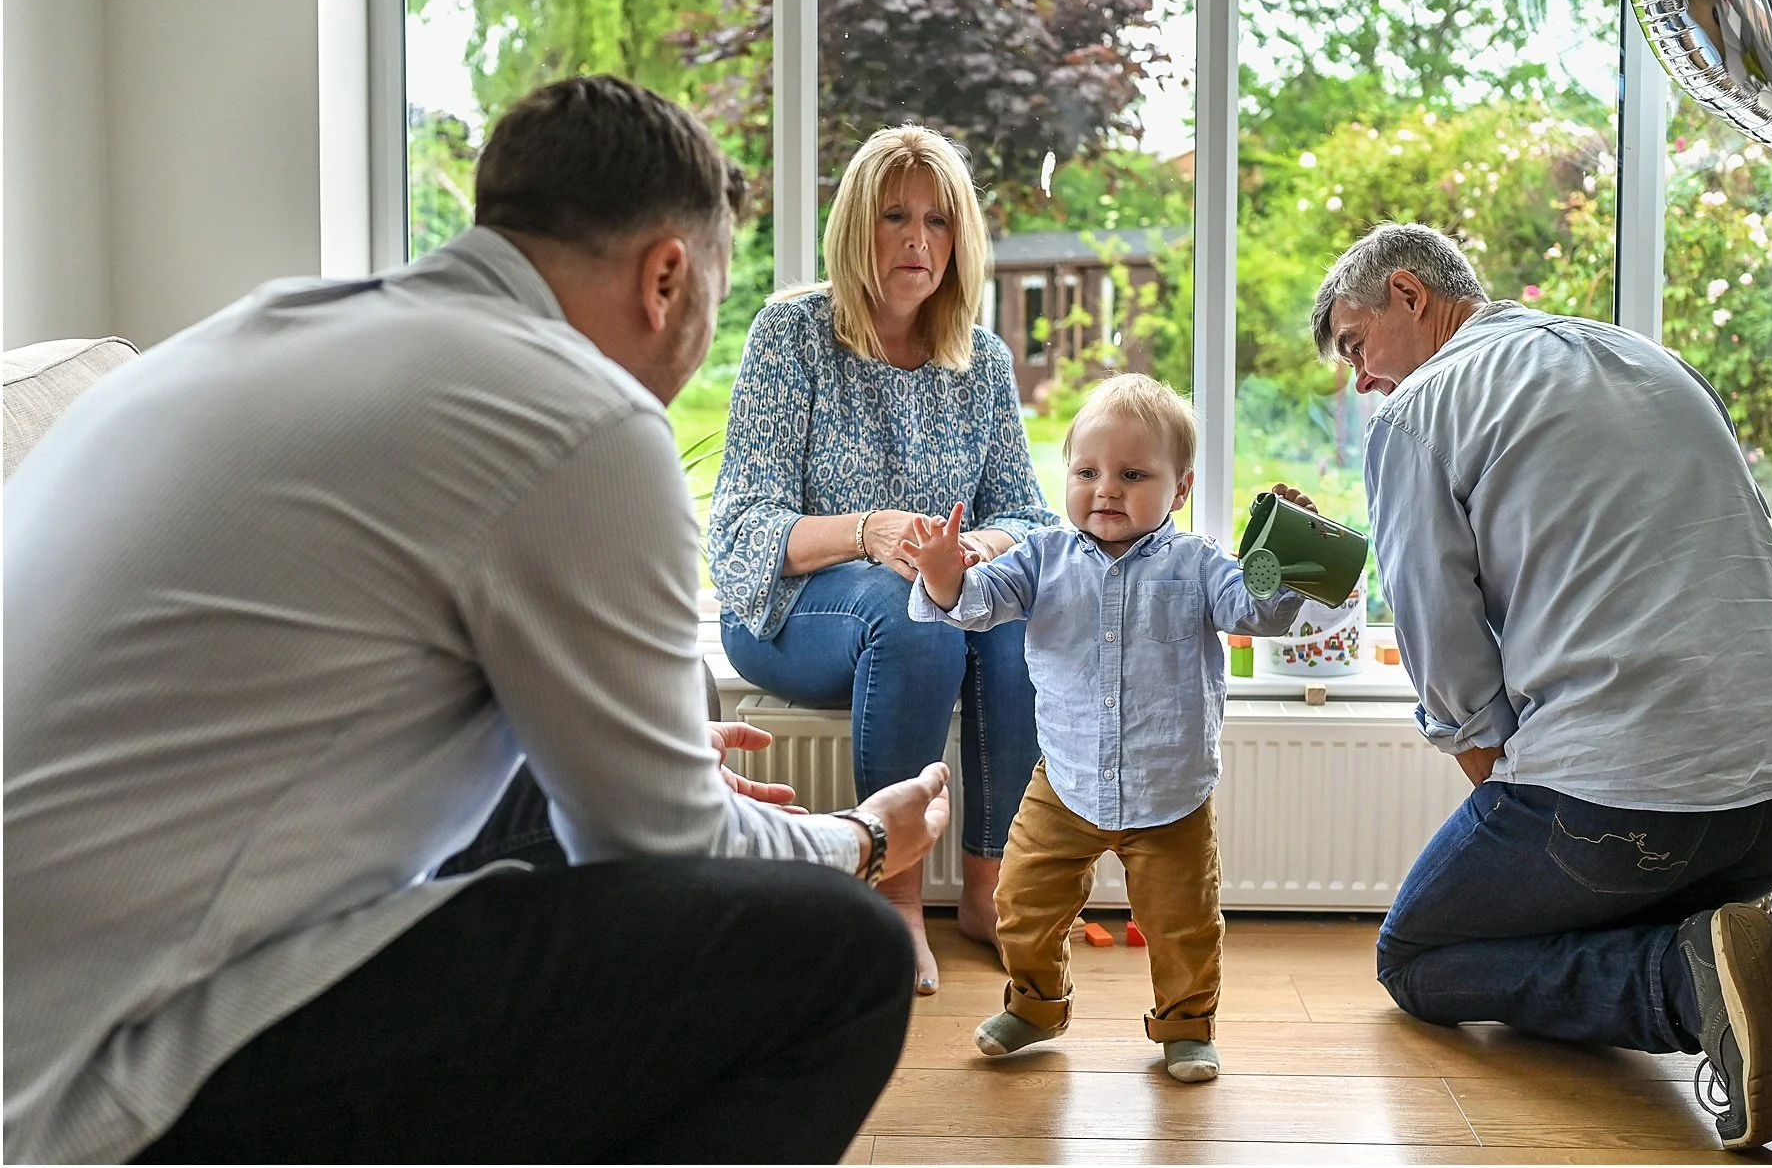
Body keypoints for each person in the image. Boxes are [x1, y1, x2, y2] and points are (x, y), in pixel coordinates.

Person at [4, 74, 954, 1165]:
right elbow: (669, 845)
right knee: (835, 958)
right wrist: (866, 836)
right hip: (93, 1090)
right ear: (665, 277)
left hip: (44, 999)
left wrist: (644, 768)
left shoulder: (255, 331)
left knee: (558, 807)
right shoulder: (572, 413)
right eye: (710, 303)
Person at [1313, 221, 1772, 1150]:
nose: (1359, 377)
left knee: (1420, 957)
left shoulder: (1421, 408)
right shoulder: (1649, 359)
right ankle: (1764, 955)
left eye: (1355, 343)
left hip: (1635, 806)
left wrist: (1522, 802)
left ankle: (1690, 980)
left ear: (1411, 296)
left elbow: (1447, 660)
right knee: (1627, 881)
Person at [709, 124, 1059, 995]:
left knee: (1003, 622)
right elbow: (744, 527)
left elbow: (1028, 511)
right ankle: (894, 894)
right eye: (896, 216)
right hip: (788, 611)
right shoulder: (792, 333)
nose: (917, 240)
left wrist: (977, 542)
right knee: (919, 625)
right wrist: (868, 530)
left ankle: (988, 888)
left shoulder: (980, 360)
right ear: (856, 226)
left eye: (938, 221)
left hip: (924, 603)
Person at [901, 373, 1313, 1082]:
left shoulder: (1199, 563)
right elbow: (973, 602)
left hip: (1170, 791)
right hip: (1064, 781)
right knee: (1021, 903)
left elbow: (1260, 613)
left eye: (1132, 474)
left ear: (1180, 489)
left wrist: (1287, 549)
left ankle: (1185, 1026)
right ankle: (1035, 1005)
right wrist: (944, 572)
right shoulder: (1040, 556)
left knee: (1184, 926)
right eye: (1087, 471)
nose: (1106, 490)